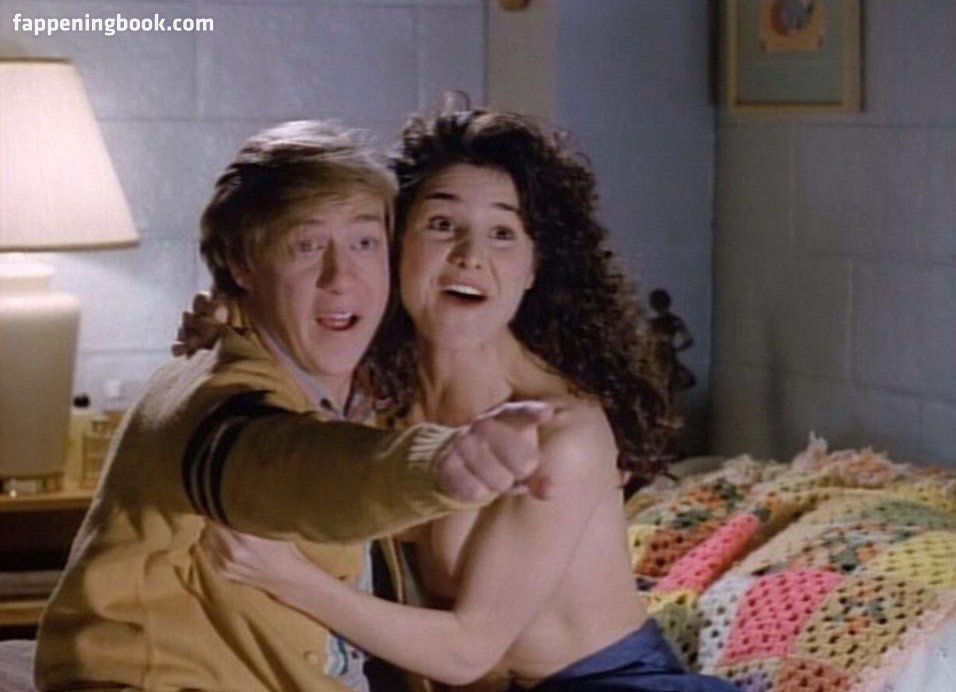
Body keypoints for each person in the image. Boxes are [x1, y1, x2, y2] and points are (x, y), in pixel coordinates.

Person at [199, 108, 739, 691]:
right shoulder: (377, 394)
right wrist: (229, 314)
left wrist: (287, 577)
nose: (469, 255)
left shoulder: (563, 433)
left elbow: (467, 653)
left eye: (502, 233)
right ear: (397, 247)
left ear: (533, 268)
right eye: (441, 224)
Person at [34, 120, 555, 692]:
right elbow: (286, 466)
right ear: (243, 264)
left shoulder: (367, 389)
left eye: (364, 243)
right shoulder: (212, 397)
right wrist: (437, 464)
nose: (341, 278)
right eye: (307, 247)